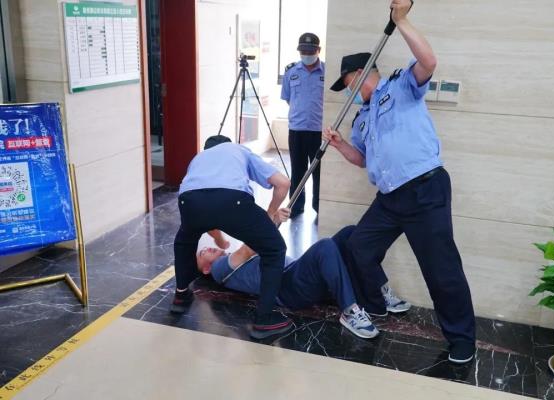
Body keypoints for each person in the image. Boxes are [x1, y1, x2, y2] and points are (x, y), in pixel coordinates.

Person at [323, 0, 476, 363]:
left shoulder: (400, 86)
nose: (349, 92)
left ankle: (462, 340)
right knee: (360, 246)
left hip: (425, 188)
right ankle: (378, 302)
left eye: (348, 84)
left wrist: (401, 20)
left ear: (361, 73)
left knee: (440, 269)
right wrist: (341, 144)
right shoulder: (361, 118)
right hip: (390, 197)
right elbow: (363, 160)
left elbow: (429, 62)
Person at [171, 134, 293, 340]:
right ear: (229, 144)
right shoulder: (238, 150)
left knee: (184, 241)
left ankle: (180, 297)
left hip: (189, 201)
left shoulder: (198, 158)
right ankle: (264, 320)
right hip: (232, 200)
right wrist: (270, 214)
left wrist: (219, 240)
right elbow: (283, 183)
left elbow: (207, 207)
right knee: (274, 249)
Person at [197, 225, 411, 339]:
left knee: (350, 233)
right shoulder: (217, 269)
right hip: (287, 288)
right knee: (325, 246)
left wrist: (273, 220)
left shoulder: (226, 262)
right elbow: (248, 249)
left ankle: (377, 292)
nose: (206, 247)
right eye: (201, 253)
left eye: (204, 247)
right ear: (205, 269)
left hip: (294, 274)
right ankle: (350, 312)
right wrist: (272, 219)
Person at [281, 32, 325, 219]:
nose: (306, 54)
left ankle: (319, 208)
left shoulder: (327, 72)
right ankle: (296, 206)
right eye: (303, 51)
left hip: (319, 131)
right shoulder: (291, 71)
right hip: (297, 130)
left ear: (318, 50)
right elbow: (288, 98)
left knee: (319, 172)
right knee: (297, 170)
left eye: (310, 51)